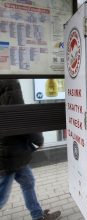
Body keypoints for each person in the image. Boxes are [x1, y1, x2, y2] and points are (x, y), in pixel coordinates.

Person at [0, 79, 61, 220]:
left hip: (15, 152)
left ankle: (37, 215)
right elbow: (21, 118)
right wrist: (38, 139)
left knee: (28, 182)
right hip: (9, 154)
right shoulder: (8, 83)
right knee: (2, 195)